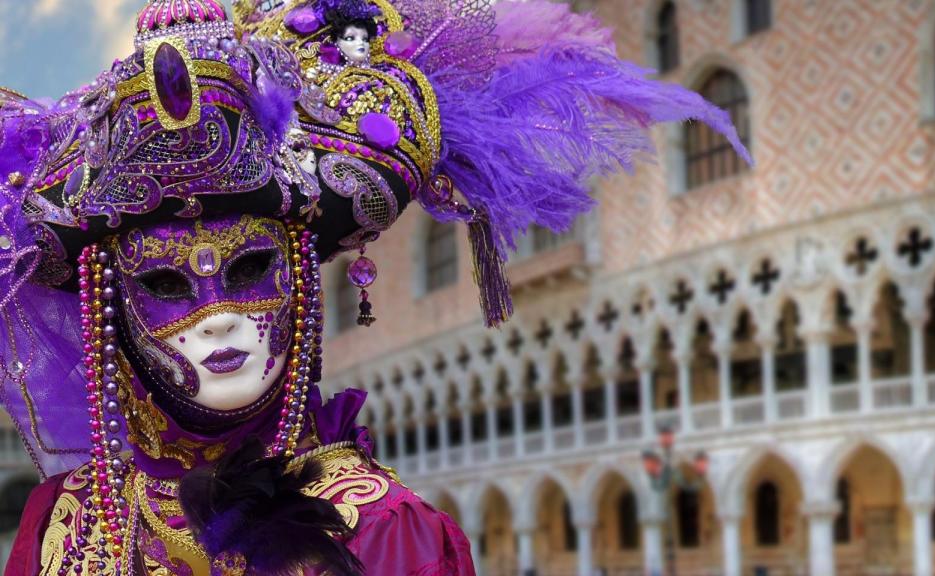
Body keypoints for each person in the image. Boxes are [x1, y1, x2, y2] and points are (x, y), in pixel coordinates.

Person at [0, 0, 749, 574]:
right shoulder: (62, 526)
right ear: (111, 305)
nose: (218, 317)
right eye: (165, 284)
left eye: (251, 269)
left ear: (299, 278)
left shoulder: (386, 531)